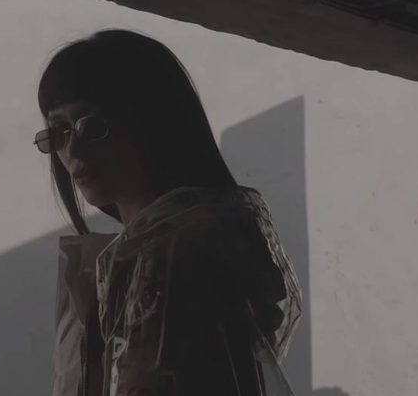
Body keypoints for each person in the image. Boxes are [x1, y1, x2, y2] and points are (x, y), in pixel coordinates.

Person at [33, 29, 302, 396]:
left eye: (93, 126)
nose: (74, 151)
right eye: (59, 132)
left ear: (153, 120)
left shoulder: (177, 250)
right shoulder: (131, 255)